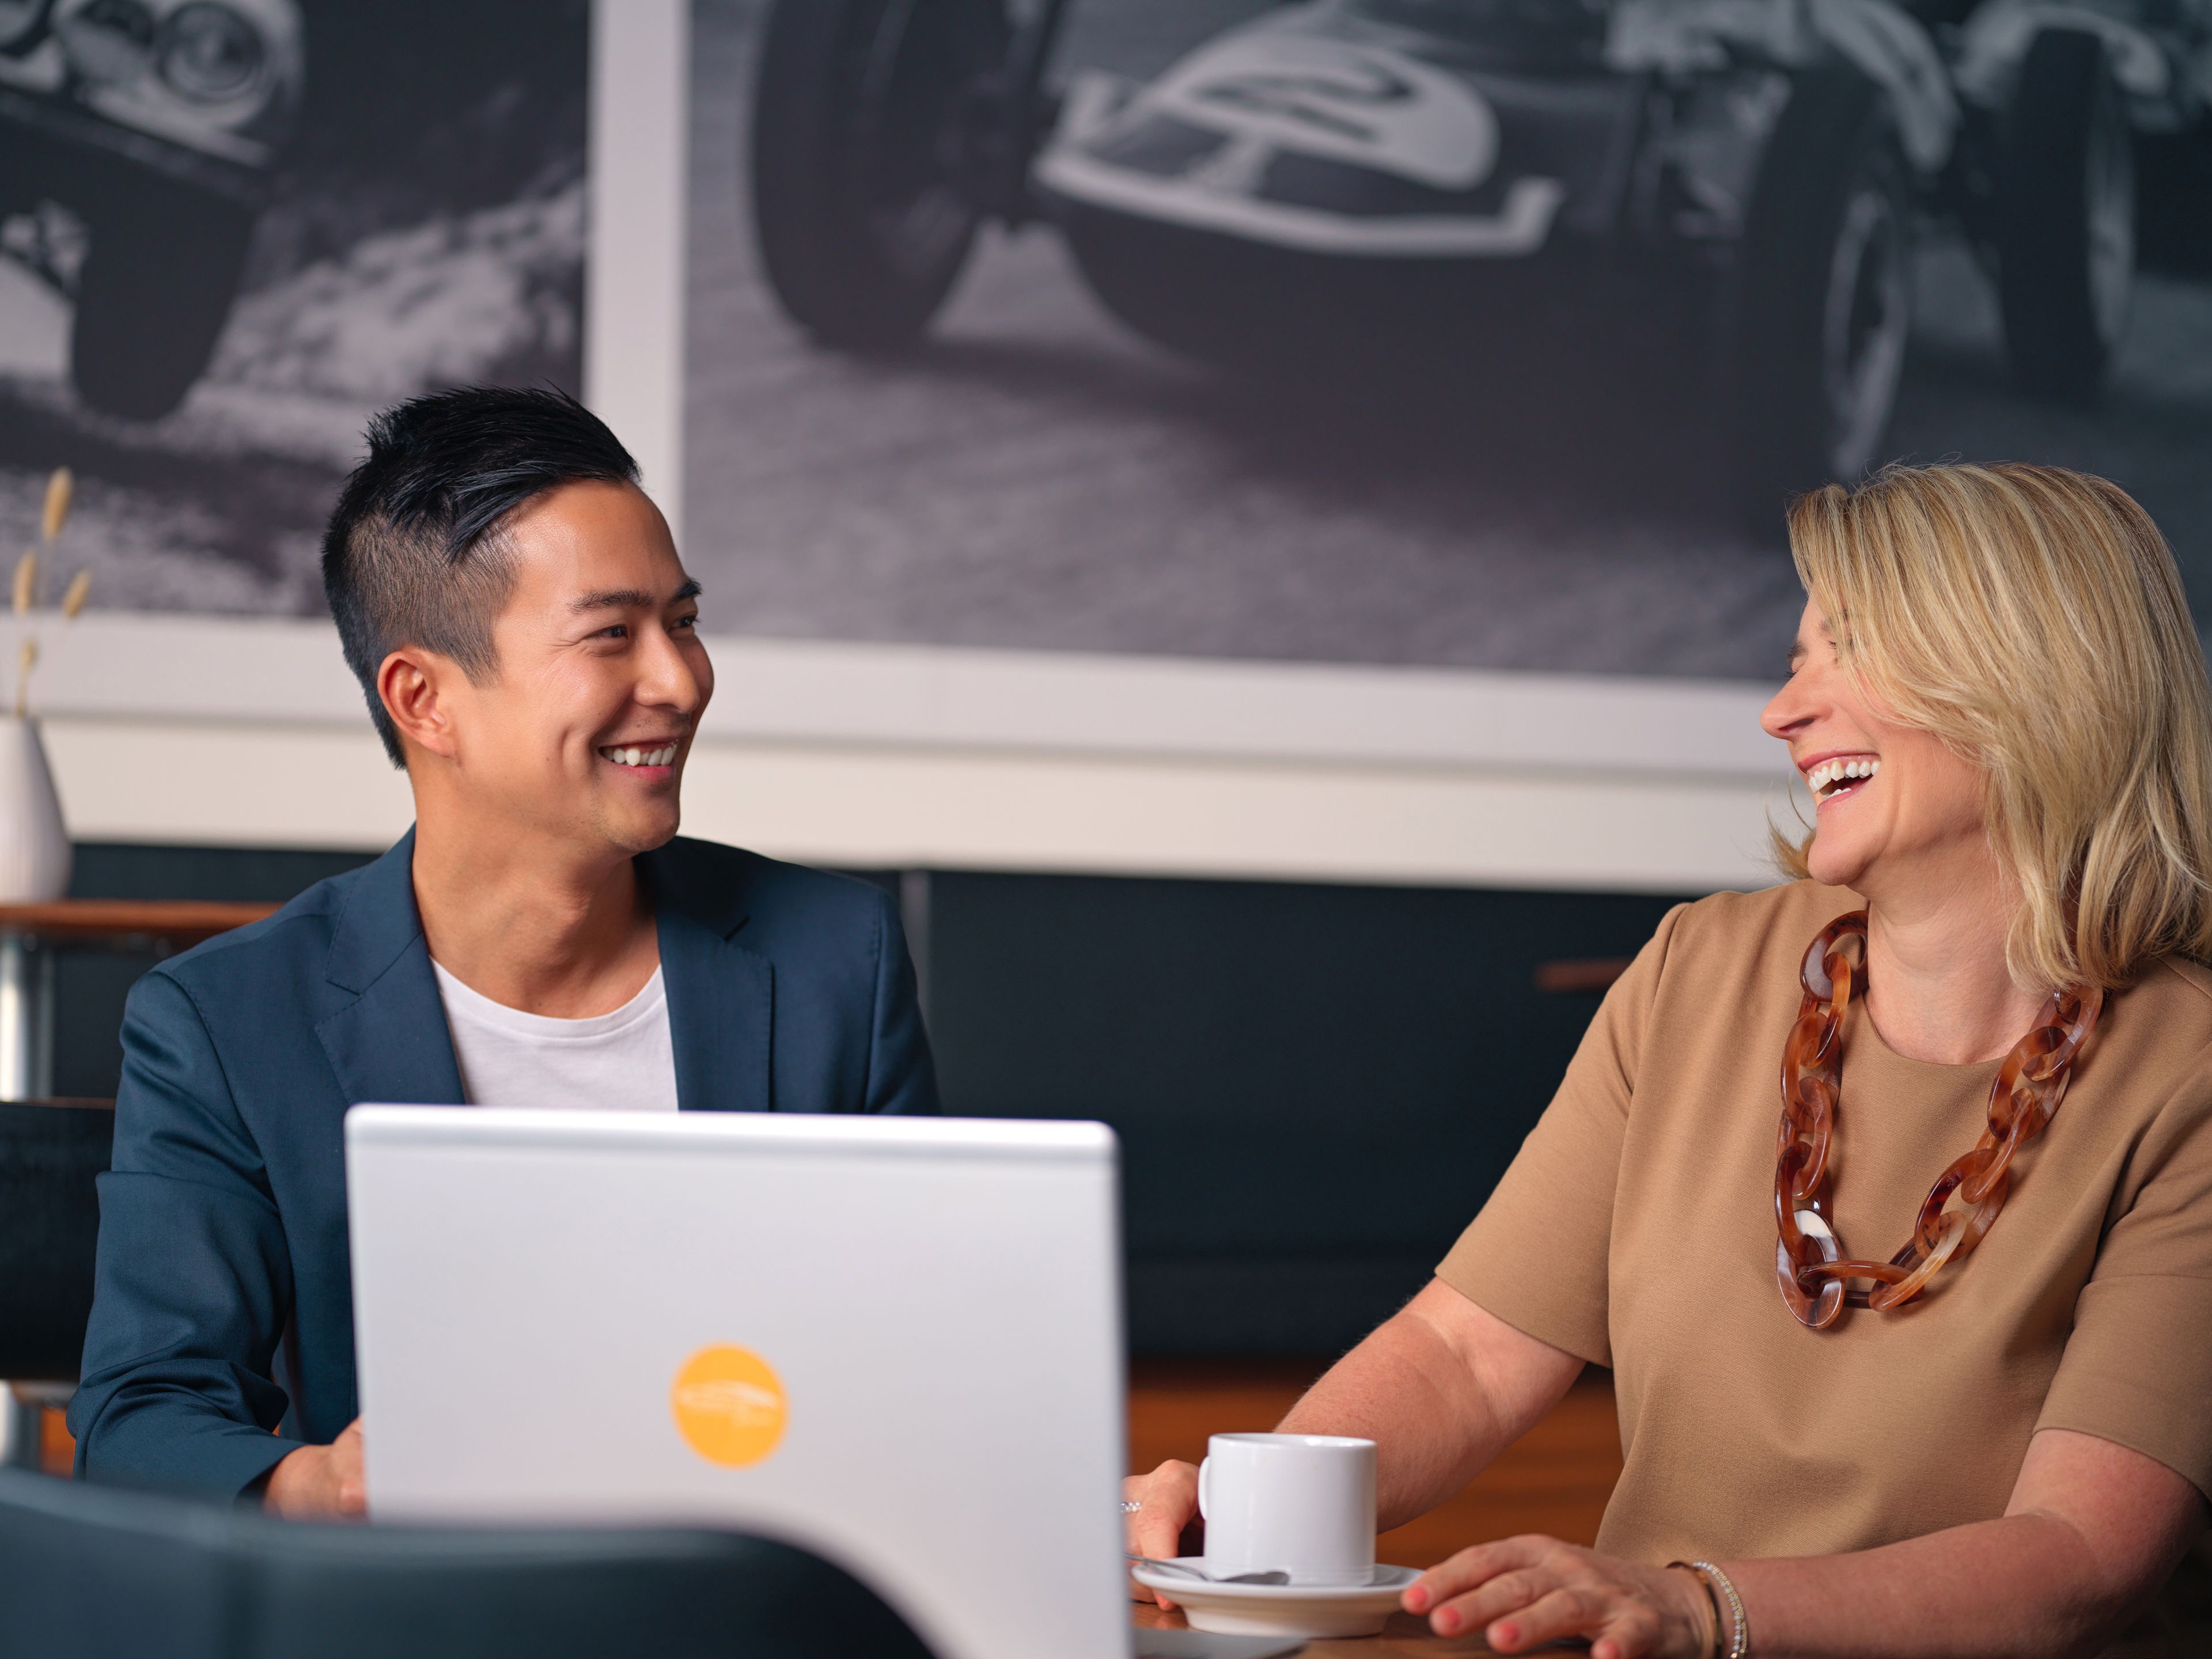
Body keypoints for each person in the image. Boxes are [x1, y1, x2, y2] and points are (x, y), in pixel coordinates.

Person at [1127, 462, 2212, 1658]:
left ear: (2026, 673)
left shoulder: (2187, 1071)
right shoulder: (1702, 966)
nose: (1783, 712)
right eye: (1799, 658)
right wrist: (1247, 1518)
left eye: (1845, 649)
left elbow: (2079, 1558)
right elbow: (1466, 1355)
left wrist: (1699, 1609)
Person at [69, 388, 937, 1514]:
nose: (680, 681)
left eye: (683, 620)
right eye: (611, 634)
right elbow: (143, 1421)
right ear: (424, 699)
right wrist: (325, 1481)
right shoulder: (227, 1021)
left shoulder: (836, 961)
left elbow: (927, 1362)